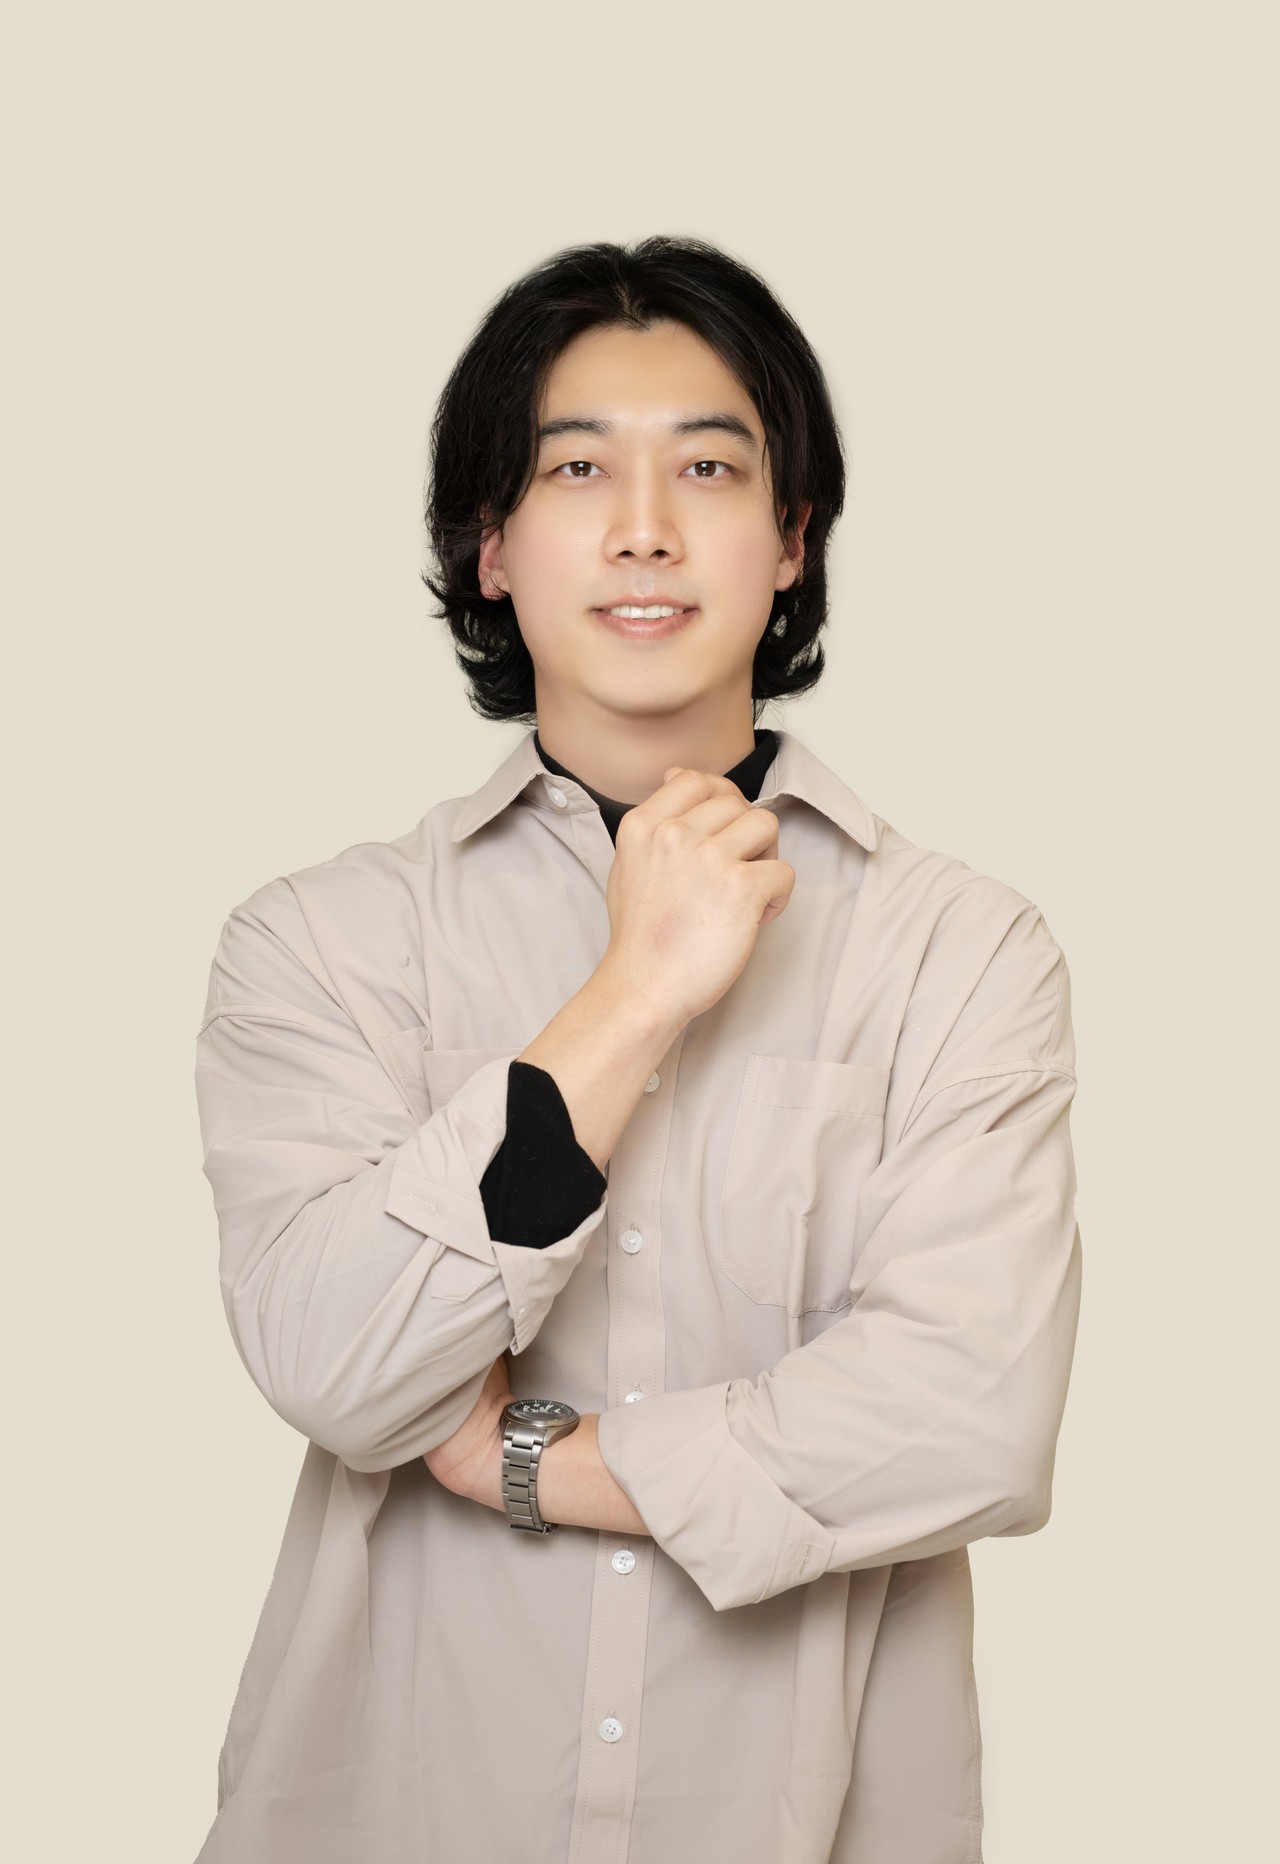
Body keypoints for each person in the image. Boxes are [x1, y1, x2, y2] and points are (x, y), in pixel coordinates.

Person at [192, 235, 1082, 1864]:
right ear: (492, 548)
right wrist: (636, 991)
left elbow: (972, 1416)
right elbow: (334, 1364)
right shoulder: (321, 943)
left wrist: (538, 1461)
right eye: (577, 467)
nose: (645, 526)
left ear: (792, 541)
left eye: (711, 467)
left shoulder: (959, 951)